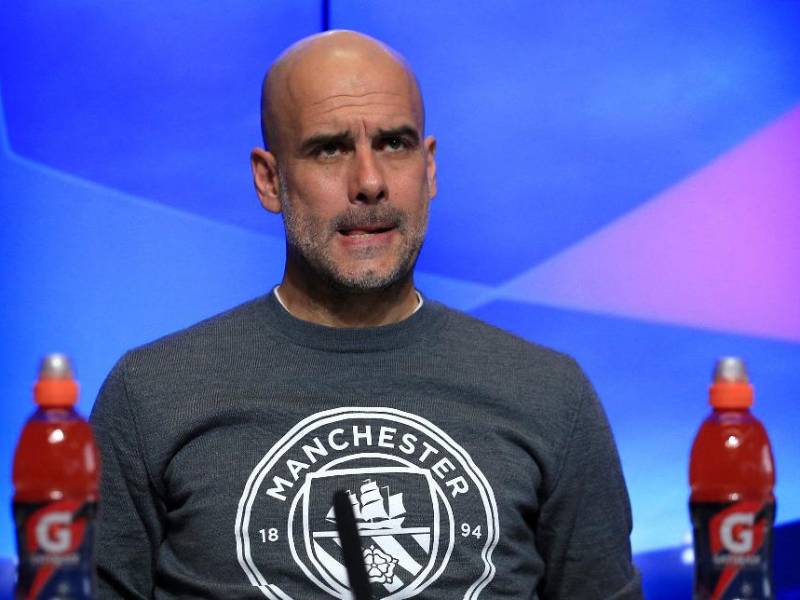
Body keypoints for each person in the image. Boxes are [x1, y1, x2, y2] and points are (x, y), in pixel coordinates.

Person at [91, 30, 642, 599]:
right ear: (268, 179)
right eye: (329, 149)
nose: (370, 183)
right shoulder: (152, 394)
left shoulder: (550, 394)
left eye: (394, 144)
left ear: (429, 169)